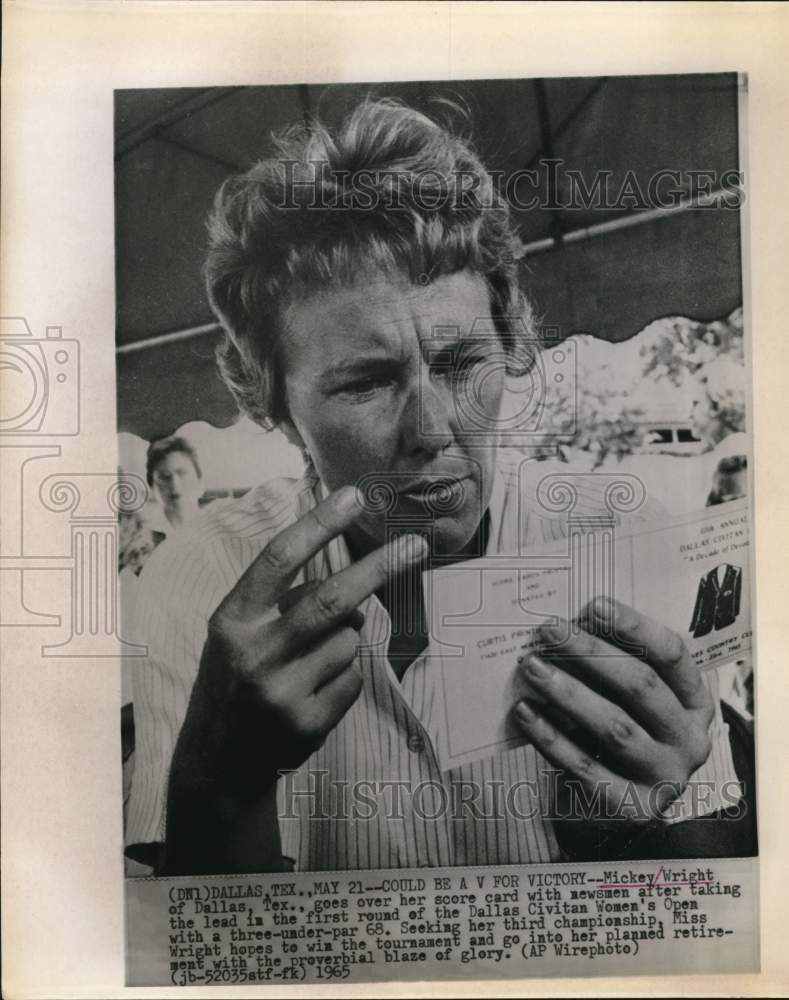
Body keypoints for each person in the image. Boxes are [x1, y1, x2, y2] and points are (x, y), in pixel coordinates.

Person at [126, 99, 748, 874]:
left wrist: (638, 825)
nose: (429, 429)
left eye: (459, 364)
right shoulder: (204, 578)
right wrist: (223, 780)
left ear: (513, 346)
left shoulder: (624, 545)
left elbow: (726, 888)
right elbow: (196, 943)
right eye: (365, 383)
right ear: (272, 404)